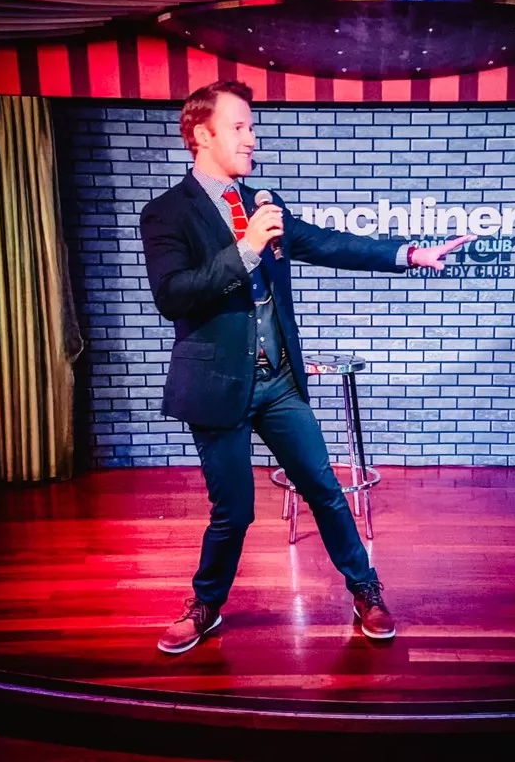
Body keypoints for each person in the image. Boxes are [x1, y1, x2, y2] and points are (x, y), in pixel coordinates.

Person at [139, 81, 474, 654]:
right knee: (233, 511)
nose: (252, 137)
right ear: (202, 134)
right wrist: (246, 249)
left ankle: (365, 591)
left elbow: (328, 243)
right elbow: (173, 295)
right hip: (218, 385)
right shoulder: (167, 213)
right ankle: (206, 605)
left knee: (324, 489)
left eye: (252, 126)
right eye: (240, 127)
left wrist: (410, 254)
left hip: (279, 383)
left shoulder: (262, 205)